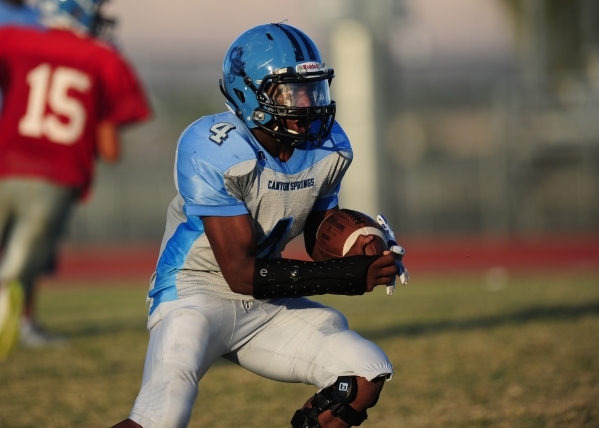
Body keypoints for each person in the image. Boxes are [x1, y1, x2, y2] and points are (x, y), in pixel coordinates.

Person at [112, 23, 404, 428]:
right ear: (250, 93)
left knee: (364, 374)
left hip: (262, 301)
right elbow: (239, 272)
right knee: (161, 417)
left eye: (314, 89)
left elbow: (319, 239)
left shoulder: (328, 144)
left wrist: (360, 243)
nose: (308, 104)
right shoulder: (213, 146)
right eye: (293, 91)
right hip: (194, 293)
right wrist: (342, 276)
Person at [0, 0, 151, 356]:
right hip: (57, 176)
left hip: (5, 164)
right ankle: (21, 324)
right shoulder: (103, 58)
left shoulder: (14, 39)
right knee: (17, 271)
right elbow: (110, 149)